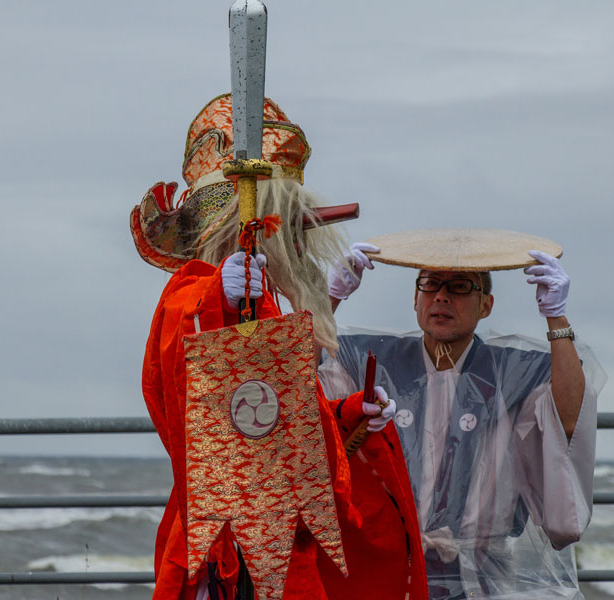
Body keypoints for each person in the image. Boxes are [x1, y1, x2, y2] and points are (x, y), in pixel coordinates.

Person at [131, 94, 427, 600]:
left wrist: (350, 417)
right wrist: (215, 300)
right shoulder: (193, 292)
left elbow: (273, 424)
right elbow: (178, 391)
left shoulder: (268, 297)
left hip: (284, 544)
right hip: (222, 546)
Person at [319, 233, 606, 600]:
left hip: (482, 573)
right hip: (386, 566)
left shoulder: (511, 372)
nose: (441, 296)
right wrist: (331, 295)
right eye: (429, 284)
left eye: (459, 287)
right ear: (415, 298)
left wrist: (556, 316)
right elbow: (297, 382)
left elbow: (569, 418)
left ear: (485, 305)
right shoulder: (370, 361)